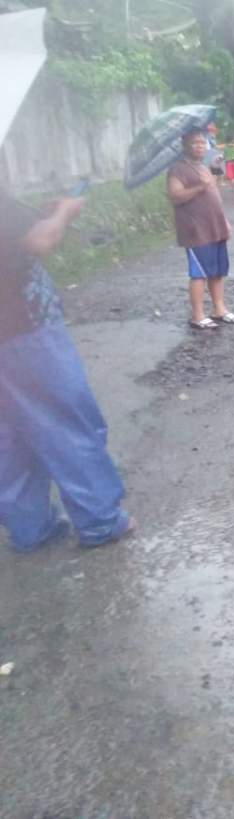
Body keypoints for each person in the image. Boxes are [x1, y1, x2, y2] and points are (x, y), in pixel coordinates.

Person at [0, 189, 133, 552]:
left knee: (9, 436)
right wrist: (64, 213)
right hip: (25, 329)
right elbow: (40, 240)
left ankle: (30, 528)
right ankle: (100, 522)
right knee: (67, 420)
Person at [168, 129, 234, 330]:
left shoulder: (203, 166)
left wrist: (224, 221)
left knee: (217, 270)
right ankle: (197, 315)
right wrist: (200, 186)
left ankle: (219, 309)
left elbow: (214, 197)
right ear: (185, 145)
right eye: (195, 143)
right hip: (196, 229)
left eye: (202, 142)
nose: (200, 146)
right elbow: (175, 196)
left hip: (215, 226)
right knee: (199, 272)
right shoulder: (178, 170)